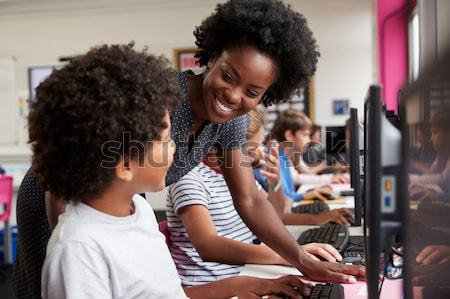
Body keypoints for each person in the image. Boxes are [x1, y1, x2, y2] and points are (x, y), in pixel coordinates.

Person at [31, 44, 310, 299]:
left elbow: (163, 293)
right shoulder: (79, 245)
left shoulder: (139, 213)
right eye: (167, 140)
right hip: (68, 201)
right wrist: (78, 244)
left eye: (252, 91)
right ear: (212, 59)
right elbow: (76, 248)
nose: (179, 149)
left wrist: (290, 261)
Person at [163, 0, 363, 282]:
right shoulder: (164, 98)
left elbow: (250, 198)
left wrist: (301, 259)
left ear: (266, 94)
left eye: (252, 91)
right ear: (213, 57)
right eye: (228, 76)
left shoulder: (232, 121)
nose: (233, 96)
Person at [166, 111, 343, 287]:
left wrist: (276, 184)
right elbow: (208, 245)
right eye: (251, 149)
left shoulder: (239, 174)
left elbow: (276, 216)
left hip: (245, 272)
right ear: (216, 146)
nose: (260, 153)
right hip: (210, 285)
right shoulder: (190, 177)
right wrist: (286, 256)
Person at [247, 107, 354, 225]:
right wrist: (304, 196)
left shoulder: (284, 156)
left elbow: (283, 201)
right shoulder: (271, 158)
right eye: (305, 135)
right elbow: (280, 205)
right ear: (289, 135)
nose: (309, 140)